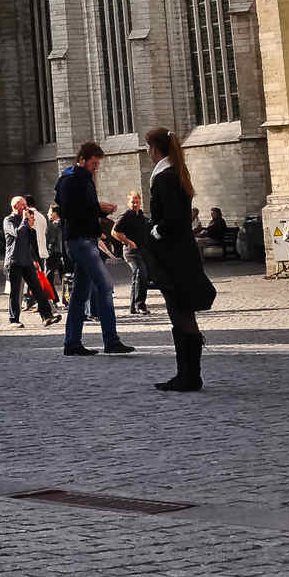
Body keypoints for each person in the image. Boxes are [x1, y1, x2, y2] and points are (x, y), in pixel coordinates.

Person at [114, 128, 215, 392]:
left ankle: (188, 376)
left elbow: (171, 219)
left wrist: (154, 231)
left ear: (155, 149)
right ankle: (188, 374)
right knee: (183, 313)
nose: (147, 152)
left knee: (179, 312)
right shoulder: (176, 172)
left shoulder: (164, 177)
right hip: (182, 252)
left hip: (172, 254)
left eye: (148, 147)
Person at [54, 141, 135, 358]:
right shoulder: (70, 180)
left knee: (80, 293)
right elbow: (70, 210)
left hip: (86, 238)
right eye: (93, 163)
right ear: (82, 160)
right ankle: (111, 340)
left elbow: (83, 209)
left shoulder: (83, 178)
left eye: (98, 163)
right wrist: (98, 207)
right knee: (105, 285)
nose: (96, 167)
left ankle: (72, 343)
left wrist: (99, 212)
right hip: (79, 240)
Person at [3, 196, 55, 326]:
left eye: (26, 205)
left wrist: (35, 259)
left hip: (27, 261)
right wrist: (25, 221)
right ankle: (13, 319)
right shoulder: (8, 220)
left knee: (37, 289)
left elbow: (31, 241)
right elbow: (17, 233)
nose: (26, 208)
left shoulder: (25, 221)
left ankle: (47, 316)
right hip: (14, 261)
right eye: (23, 206)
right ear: (15, 207)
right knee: (15, 292)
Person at [123, 190, 153, 314]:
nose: (135, 204)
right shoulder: (126, 216)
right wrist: (129, 242)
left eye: (137, 202)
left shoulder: (142, 217)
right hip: (130, 252)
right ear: (128, 203)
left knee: (139, 276)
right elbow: (115, 232)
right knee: (140, 272)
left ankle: (133, 306)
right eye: (132, 202)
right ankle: (140, 304)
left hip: (142, 251)